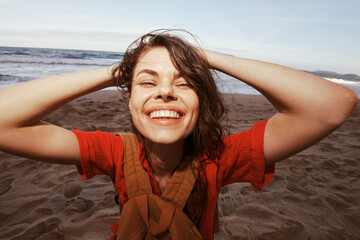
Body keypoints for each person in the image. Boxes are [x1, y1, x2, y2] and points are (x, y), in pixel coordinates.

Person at [0, 30, 357, 240]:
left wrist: (206, 57)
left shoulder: (222, 156)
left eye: (184, 83)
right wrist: (118, 70)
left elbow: (333, 105)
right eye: (147, 82)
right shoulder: (112, 151)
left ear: (201, 101)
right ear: (129, 101)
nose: (166, 92)